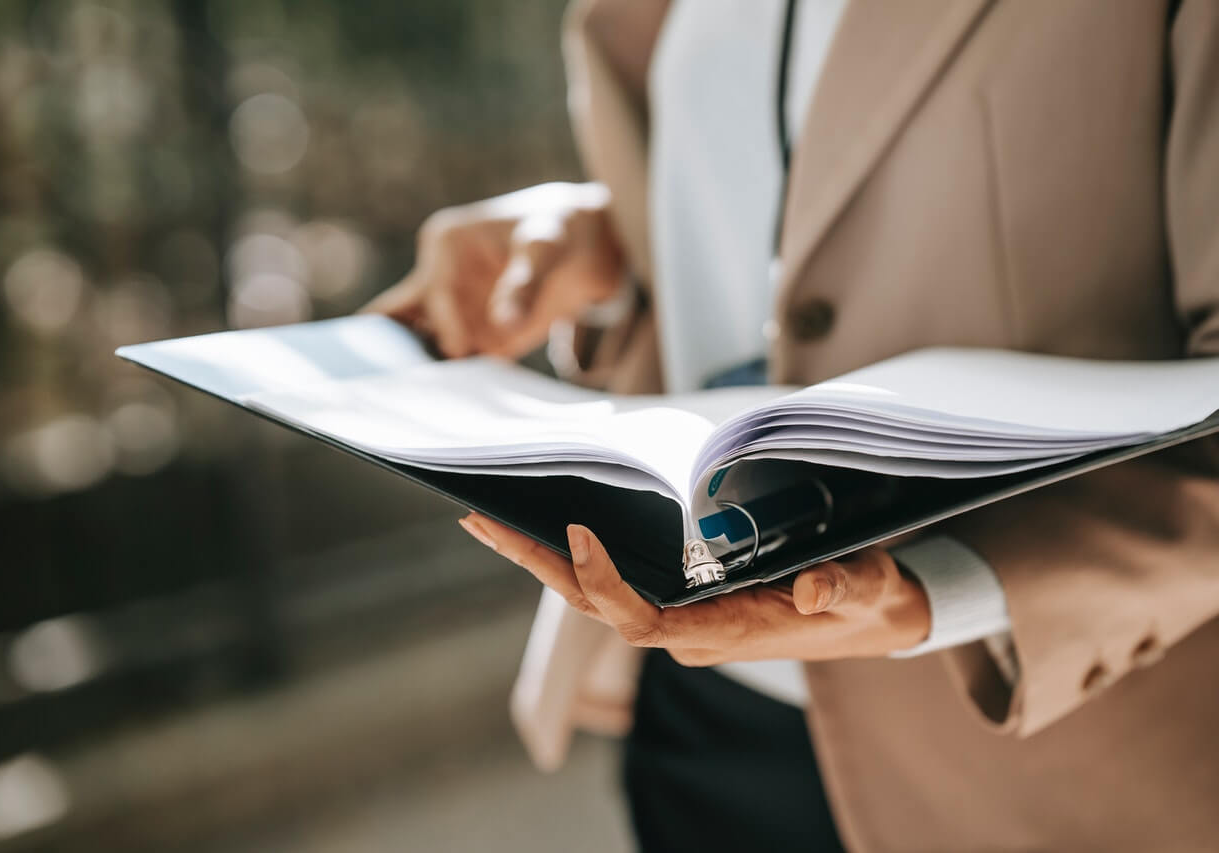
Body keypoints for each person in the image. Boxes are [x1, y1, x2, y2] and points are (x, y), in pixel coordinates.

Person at [366, 1, 1219, 850]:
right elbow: (780, 206)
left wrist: (949, 591)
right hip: (706, 722)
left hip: (1035, 753)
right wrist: (608, 245)